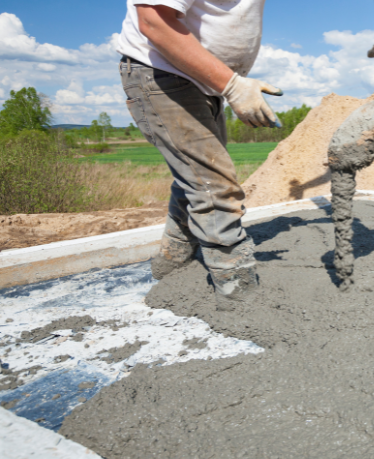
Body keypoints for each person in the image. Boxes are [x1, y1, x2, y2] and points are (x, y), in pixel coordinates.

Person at [117, 0, 281, 307]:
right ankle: (239, 293)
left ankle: (170, 267)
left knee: (194, 178)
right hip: (162, 72)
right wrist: (232, 85)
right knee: (213, 186)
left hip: (203, 81)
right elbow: (153, 20)